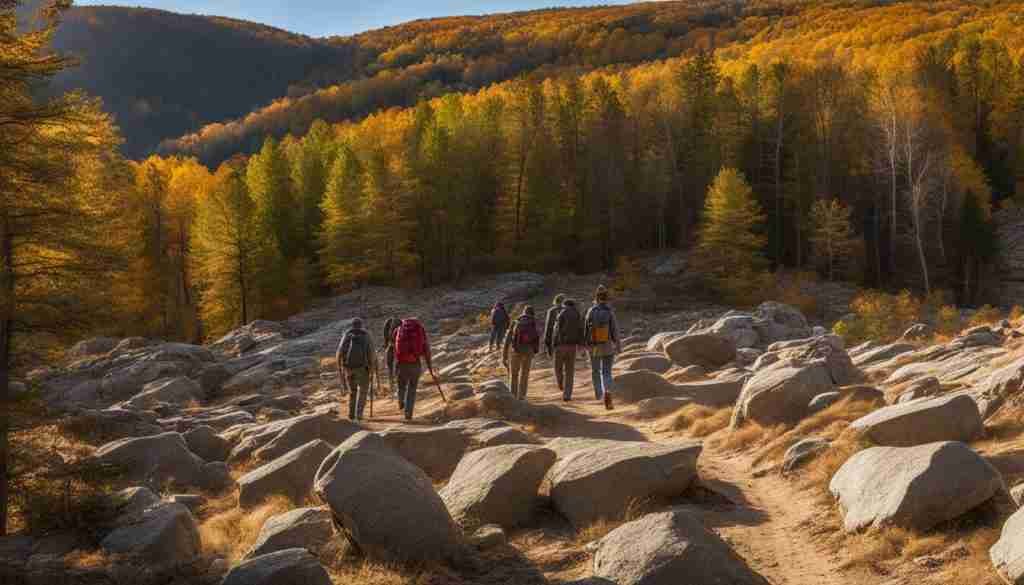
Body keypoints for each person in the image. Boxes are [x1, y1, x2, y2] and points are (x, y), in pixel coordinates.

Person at [585, 287, 621, 410]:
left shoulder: (591, 311)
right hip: (608, 346)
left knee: (595, 371)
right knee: (607, 372)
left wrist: (586, 345)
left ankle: (599, 395)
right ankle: (608, 391)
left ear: (596, 298)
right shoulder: (609, 311)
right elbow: (615, 330)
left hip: (594, 347)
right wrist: (618, 345)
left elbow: (586, 330)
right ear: (607, 299)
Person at [336, 318, 377, 421]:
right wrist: (372, 368)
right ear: (361, 325)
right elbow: (371, 353)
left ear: (352, 325)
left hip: (349, 369)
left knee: (352, 392)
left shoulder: (347, 335)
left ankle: (351, 414)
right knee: (363, 391)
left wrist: (341, 367)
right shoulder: (366, 335)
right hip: (363, 369)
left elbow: (339, 352)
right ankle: (359, 414)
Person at [393, 317, 433, 420]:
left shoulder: (399, 329)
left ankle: (401, 402)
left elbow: (393, 345)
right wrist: (429, 365)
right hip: (415, 363)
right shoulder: (420, 330)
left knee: (401, 385)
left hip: (401, 363)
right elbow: (426, 348)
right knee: (412, 388)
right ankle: (408, 413)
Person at [503, 306, 540, 400]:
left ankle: (513, 396)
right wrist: (535, 350)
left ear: (524, 312)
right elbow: (537, 338)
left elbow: (508, 338)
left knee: (514, 374)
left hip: (516, 350)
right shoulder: (534, 322)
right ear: (532, 313)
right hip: (529, 351)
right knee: (525, 373)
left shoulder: (516, 321)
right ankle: (522, 396)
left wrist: (504, 355)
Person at [552, 297, 584, 401]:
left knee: (558, 368)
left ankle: (561, 384)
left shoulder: (562, 313)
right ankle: (567, 395)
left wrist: (554, 344)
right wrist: (580, 344)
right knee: (570, 371)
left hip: (561, 346)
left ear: (565, 305)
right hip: (572, 347)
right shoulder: (577, 314)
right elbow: (581, 330)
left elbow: (557, 330)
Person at [542, 293, 566, 358]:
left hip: (555, 339)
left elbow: (549, 326)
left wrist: (547, 340)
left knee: (557, 361)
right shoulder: (568, 310)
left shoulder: (552, 311)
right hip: (568, 340)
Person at [381, 316, 400, 398]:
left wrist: (386, 345)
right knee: (398, 368)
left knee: (390, 369)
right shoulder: (401, 324)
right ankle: (398, 387)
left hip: (390, 349)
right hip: (399, 350)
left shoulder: (387, 323)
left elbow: (385, 340)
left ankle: (391, 386)